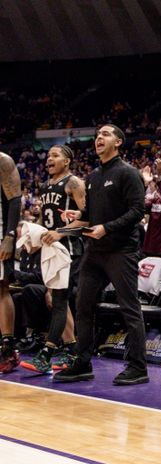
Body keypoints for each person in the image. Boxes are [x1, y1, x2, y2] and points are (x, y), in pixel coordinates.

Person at [54, 125, 149, 385]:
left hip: (121, 251)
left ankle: (138, 367)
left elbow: (137, 211)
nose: (99, 137)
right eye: (97, 135)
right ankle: (83, 363)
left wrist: (107, 228)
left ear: (118, 142)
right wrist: (77, 217)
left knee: (130, 309)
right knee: (82, 306)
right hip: (94, 253)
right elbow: (89, 216)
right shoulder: (93, 176)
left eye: (105, 134)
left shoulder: (128, 173)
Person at [20, 145, 85, 373]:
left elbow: (87, 217)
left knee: (58, 301)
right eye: (48, 156)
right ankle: (71, 350)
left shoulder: (74, 182)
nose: (49, 159)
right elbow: (45, 221)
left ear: (67, 161)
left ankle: (47, 352)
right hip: (51, 250)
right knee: (57, 301)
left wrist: (61, 232)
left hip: (69, 249)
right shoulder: (45, 185)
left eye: (55, 155)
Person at [0, 152, 22, 373]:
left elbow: (15, 200)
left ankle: (8, 347)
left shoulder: (3, 160)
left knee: (1, 289)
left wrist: (9, 236)